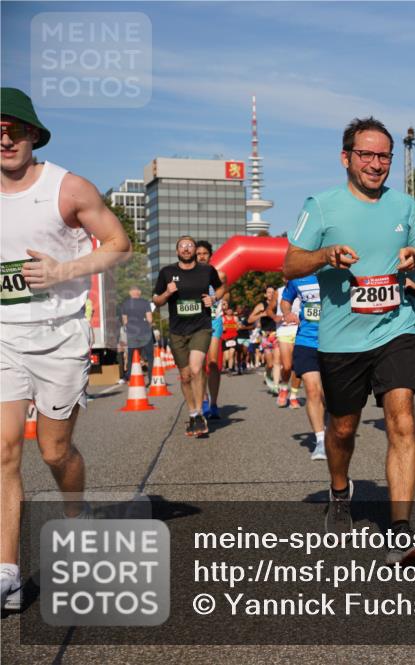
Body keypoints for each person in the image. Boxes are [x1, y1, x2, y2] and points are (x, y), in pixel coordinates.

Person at [284, 117, 415, 564]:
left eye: (383, 156)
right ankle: (339, 491)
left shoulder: (405, 206)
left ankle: (402, 531)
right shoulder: (323, 206)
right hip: (340, 338)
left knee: (402, 419)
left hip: (396, 328)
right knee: (344, 428)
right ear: (346, 157)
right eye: (366, 154)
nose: (376, 164)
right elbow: (290, 265)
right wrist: (324, 255)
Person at [1, 87, 131, 610]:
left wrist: (61, 271)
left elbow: (120, 245)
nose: (4, 138)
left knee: (53, 450)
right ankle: (7, 572)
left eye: (13, 129)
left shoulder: (69, 188)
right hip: (2, 333)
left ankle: (78, 516)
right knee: (4, 450)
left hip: (58, 334)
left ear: (33, 134)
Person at [152, 235, 222, 437]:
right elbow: (156, 300)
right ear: (177, 251)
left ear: (194, 250)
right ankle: (192, 412)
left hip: (201, 326)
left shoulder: (206, 270)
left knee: (196, 367)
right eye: (182, 246)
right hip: (177, 331)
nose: (186, 249)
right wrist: (166, 293)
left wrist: (213, 298)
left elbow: (221, 287)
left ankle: (200, 412)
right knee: (185, 376)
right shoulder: (167, 272)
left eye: (190, 246)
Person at [281, 275, 327, 460]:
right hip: (306, 340)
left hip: (336, 342)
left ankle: (333, 427)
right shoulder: (298, 277)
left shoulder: (336, 271)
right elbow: (286, 300)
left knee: (331, 394)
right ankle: (321, 441)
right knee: (312, 389)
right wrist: (287, 313)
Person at [195, 240, 228, 418]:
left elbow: (224, 289)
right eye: (198, 253)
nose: (201, 256)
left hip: (214, 320)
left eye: (204, 253)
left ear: (210, 255)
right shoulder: (188, 275)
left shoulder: (219, 274)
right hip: (195, 323)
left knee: (213, 362)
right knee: (198, 364)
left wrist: (216, 299)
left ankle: (214, 403)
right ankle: (204, 400)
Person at [120, 284, 154, 385]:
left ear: (130, 293)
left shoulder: (125, 304)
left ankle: (131, 378)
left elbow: (124, 321)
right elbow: (149, 319)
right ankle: (151, 379)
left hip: (132, 333)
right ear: (139, 293)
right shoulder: (145, 303)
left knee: (131, 356)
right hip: (145, 332)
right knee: (149, 356)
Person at [275, 278, 301, 408]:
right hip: (284, 330)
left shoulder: (302, 287)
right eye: (285, 276)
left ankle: (294, 395)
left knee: (298, 365)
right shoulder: (278, 291)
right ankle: (284, 388)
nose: (287, 279)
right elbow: (269, 309)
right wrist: (275, 317)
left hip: (300, 330)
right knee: (286, 366)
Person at [248, 286, 279, 393]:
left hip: (277, 334)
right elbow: (250, 319)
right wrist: (262, 313)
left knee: (277, 362)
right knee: (270, 364)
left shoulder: (279, 304)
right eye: (268, 292)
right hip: (266, 336)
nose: (270, 294)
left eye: (273, 292)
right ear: (265, 294)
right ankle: (267, 374)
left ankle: (276, 386)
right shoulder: (261, 305)